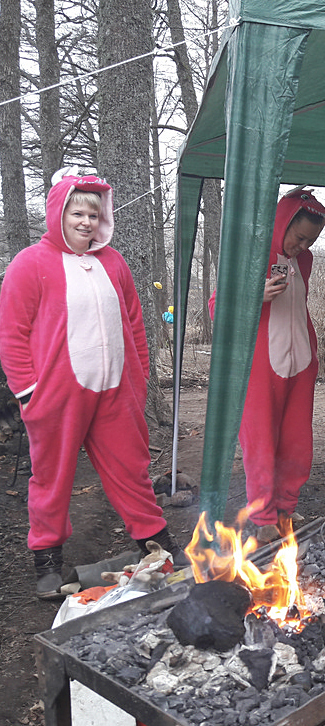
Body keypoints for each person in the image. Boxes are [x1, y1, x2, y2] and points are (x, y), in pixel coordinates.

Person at [0, 170, 188, 600]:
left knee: (131, 470)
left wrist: (138, 382)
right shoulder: (30, 263)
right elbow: (12, 333)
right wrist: (29, 392)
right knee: (52, 476)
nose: (85, 221)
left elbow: (136, 324)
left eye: (93, 213)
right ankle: (46, 559)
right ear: (59, 212)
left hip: (116, 392)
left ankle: (155, 543)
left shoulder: (114, 262)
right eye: (76, 212)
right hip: (57, 396)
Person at [208, 187, 325, 543]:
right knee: (261, 441)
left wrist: (311, 352)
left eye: (311, 241)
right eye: (299, 237)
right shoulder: (251, 252)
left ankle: (285, 510)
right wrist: (253, 296)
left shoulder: (303, 261)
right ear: (282, 222)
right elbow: (218, 309)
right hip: (260, 367)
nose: (303, 246)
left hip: (300, 364)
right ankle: (263, 518)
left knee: (296, 443)